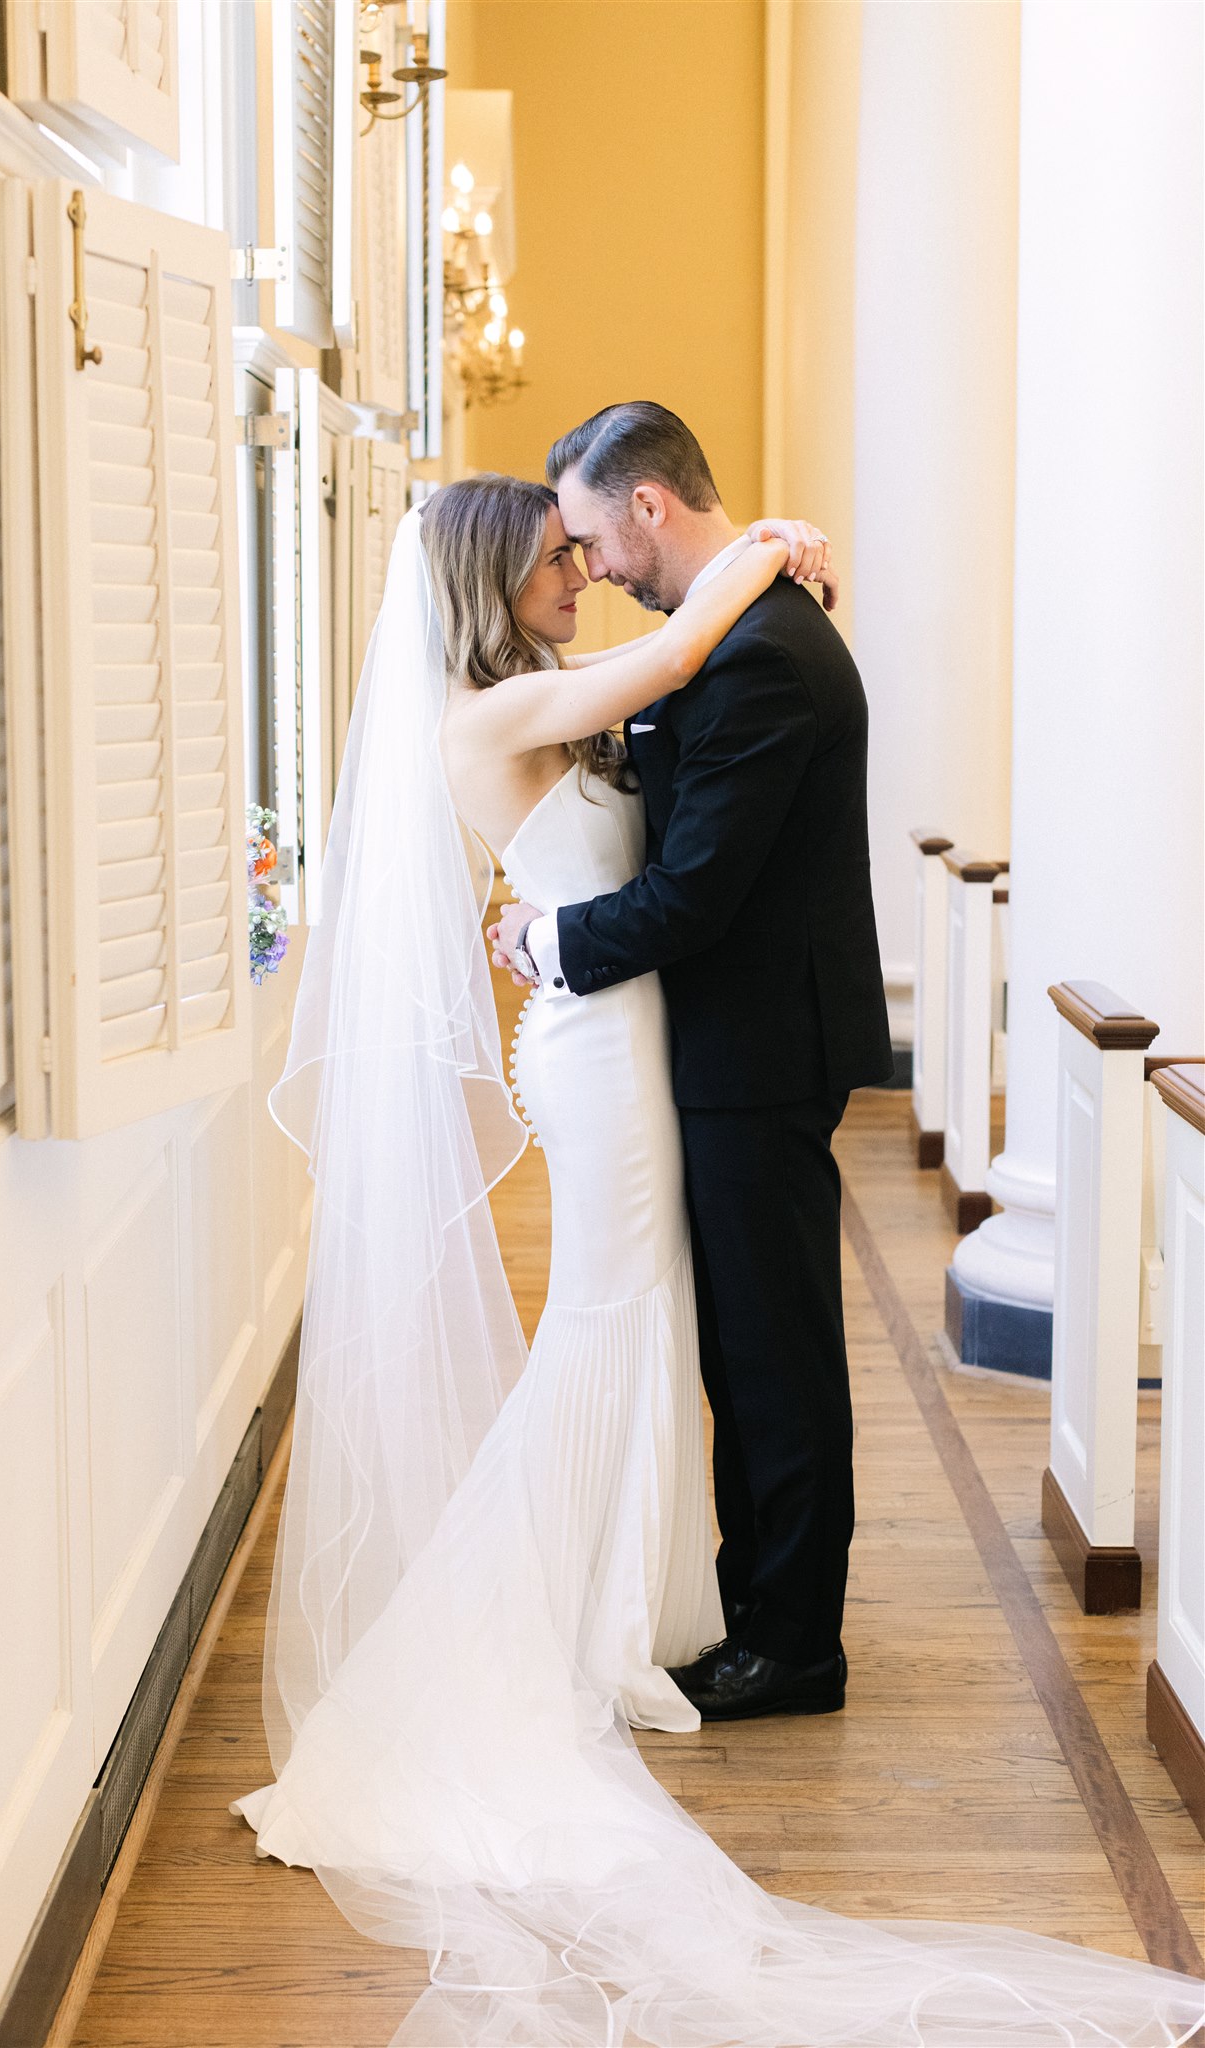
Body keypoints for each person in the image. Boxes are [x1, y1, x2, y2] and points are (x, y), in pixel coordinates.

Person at [228, 476, 1201, 2048]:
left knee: (644, 1315)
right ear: (494, 575)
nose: (576, 577)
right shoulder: (503, 711)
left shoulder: (528, 701)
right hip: (602, 1053)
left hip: (626, 1034)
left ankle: (640, 1600)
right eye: (555, 559)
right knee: (614, 1315)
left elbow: (654, 721)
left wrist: (746, 558)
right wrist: (763, 546)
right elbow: (672, 663)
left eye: (581, 547)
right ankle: (589, 1616)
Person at [491, 400, 894, 1723]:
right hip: (731, 1039)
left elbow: (698, 894)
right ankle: (753, 1603)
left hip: (759, 1043)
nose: (591, 565)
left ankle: (793, 1642)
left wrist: (549, 943)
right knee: (745, 1340)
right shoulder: (731, 632)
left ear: (649, 508)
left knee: (772, 1352)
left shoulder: (759, 654)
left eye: (596, 536)